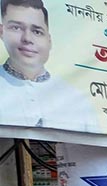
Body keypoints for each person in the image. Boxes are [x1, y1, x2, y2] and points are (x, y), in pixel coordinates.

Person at [0, 0, 97, 131]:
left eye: (37, 31)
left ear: (49, 40)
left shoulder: (76, 99)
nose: (27, 38)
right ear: (2, 32)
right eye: (16, 28)